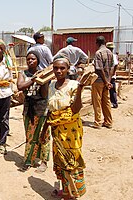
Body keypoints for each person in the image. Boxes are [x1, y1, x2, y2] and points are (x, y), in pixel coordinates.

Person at [42, 57, 86, 200]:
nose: (59, 71)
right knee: (60, 161)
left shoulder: (74, 85)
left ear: (68, 70)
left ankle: (74, 192)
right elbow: (50, 111)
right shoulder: (51, 85)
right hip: (56, 130)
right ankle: (66, 191)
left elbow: (76, 109)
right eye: (56, 68)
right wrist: (44, 131)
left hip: (71, 131)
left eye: (62, 68)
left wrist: (80, 89)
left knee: (72, 160)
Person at [17, 51, 50, 172]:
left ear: (38, 61)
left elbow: (44, 94)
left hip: (41, 108)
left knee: (43, 135)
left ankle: (44, 161)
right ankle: (28, 160)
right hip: (28, 108)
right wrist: (33, 80)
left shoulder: (43, 73)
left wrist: (44, 81)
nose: (30, 61)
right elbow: (20, 86)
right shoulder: (23, 73)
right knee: (30, 136)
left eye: (33, 59)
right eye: (28, 59)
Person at [91, 36, 114, 129]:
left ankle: (97, 122)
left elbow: (99, 69)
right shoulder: (110, 52)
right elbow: (112, 68)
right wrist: (108, 81)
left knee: (97, 101)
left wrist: (105, 81)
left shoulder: (98, 53)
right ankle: (108, 121)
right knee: (106, 101)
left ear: (97, 43)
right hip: (107, 81)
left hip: (99, 80)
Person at [106, 42, 119, 108]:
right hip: (108, 76)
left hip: (109, 76)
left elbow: (116, 65)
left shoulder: (112, 56)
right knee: (111, 90)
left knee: (111, 90)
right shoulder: (113, 56)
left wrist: (112, 74)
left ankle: (114, 103)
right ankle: (112, 103)